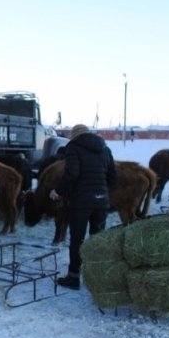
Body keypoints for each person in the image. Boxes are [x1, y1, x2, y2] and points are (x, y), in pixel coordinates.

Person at [49, 124, 117, 290]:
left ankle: (73, 278)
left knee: (77, 240)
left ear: (74, 136)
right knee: (97, 240)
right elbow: (113, 177)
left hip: (81, 202)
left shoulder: (73, 147)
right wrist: (101, 191)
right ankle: (95, 278)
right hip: (101, 201)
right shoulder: (105, 149)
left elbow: (71, 173)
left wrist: (58, 191)